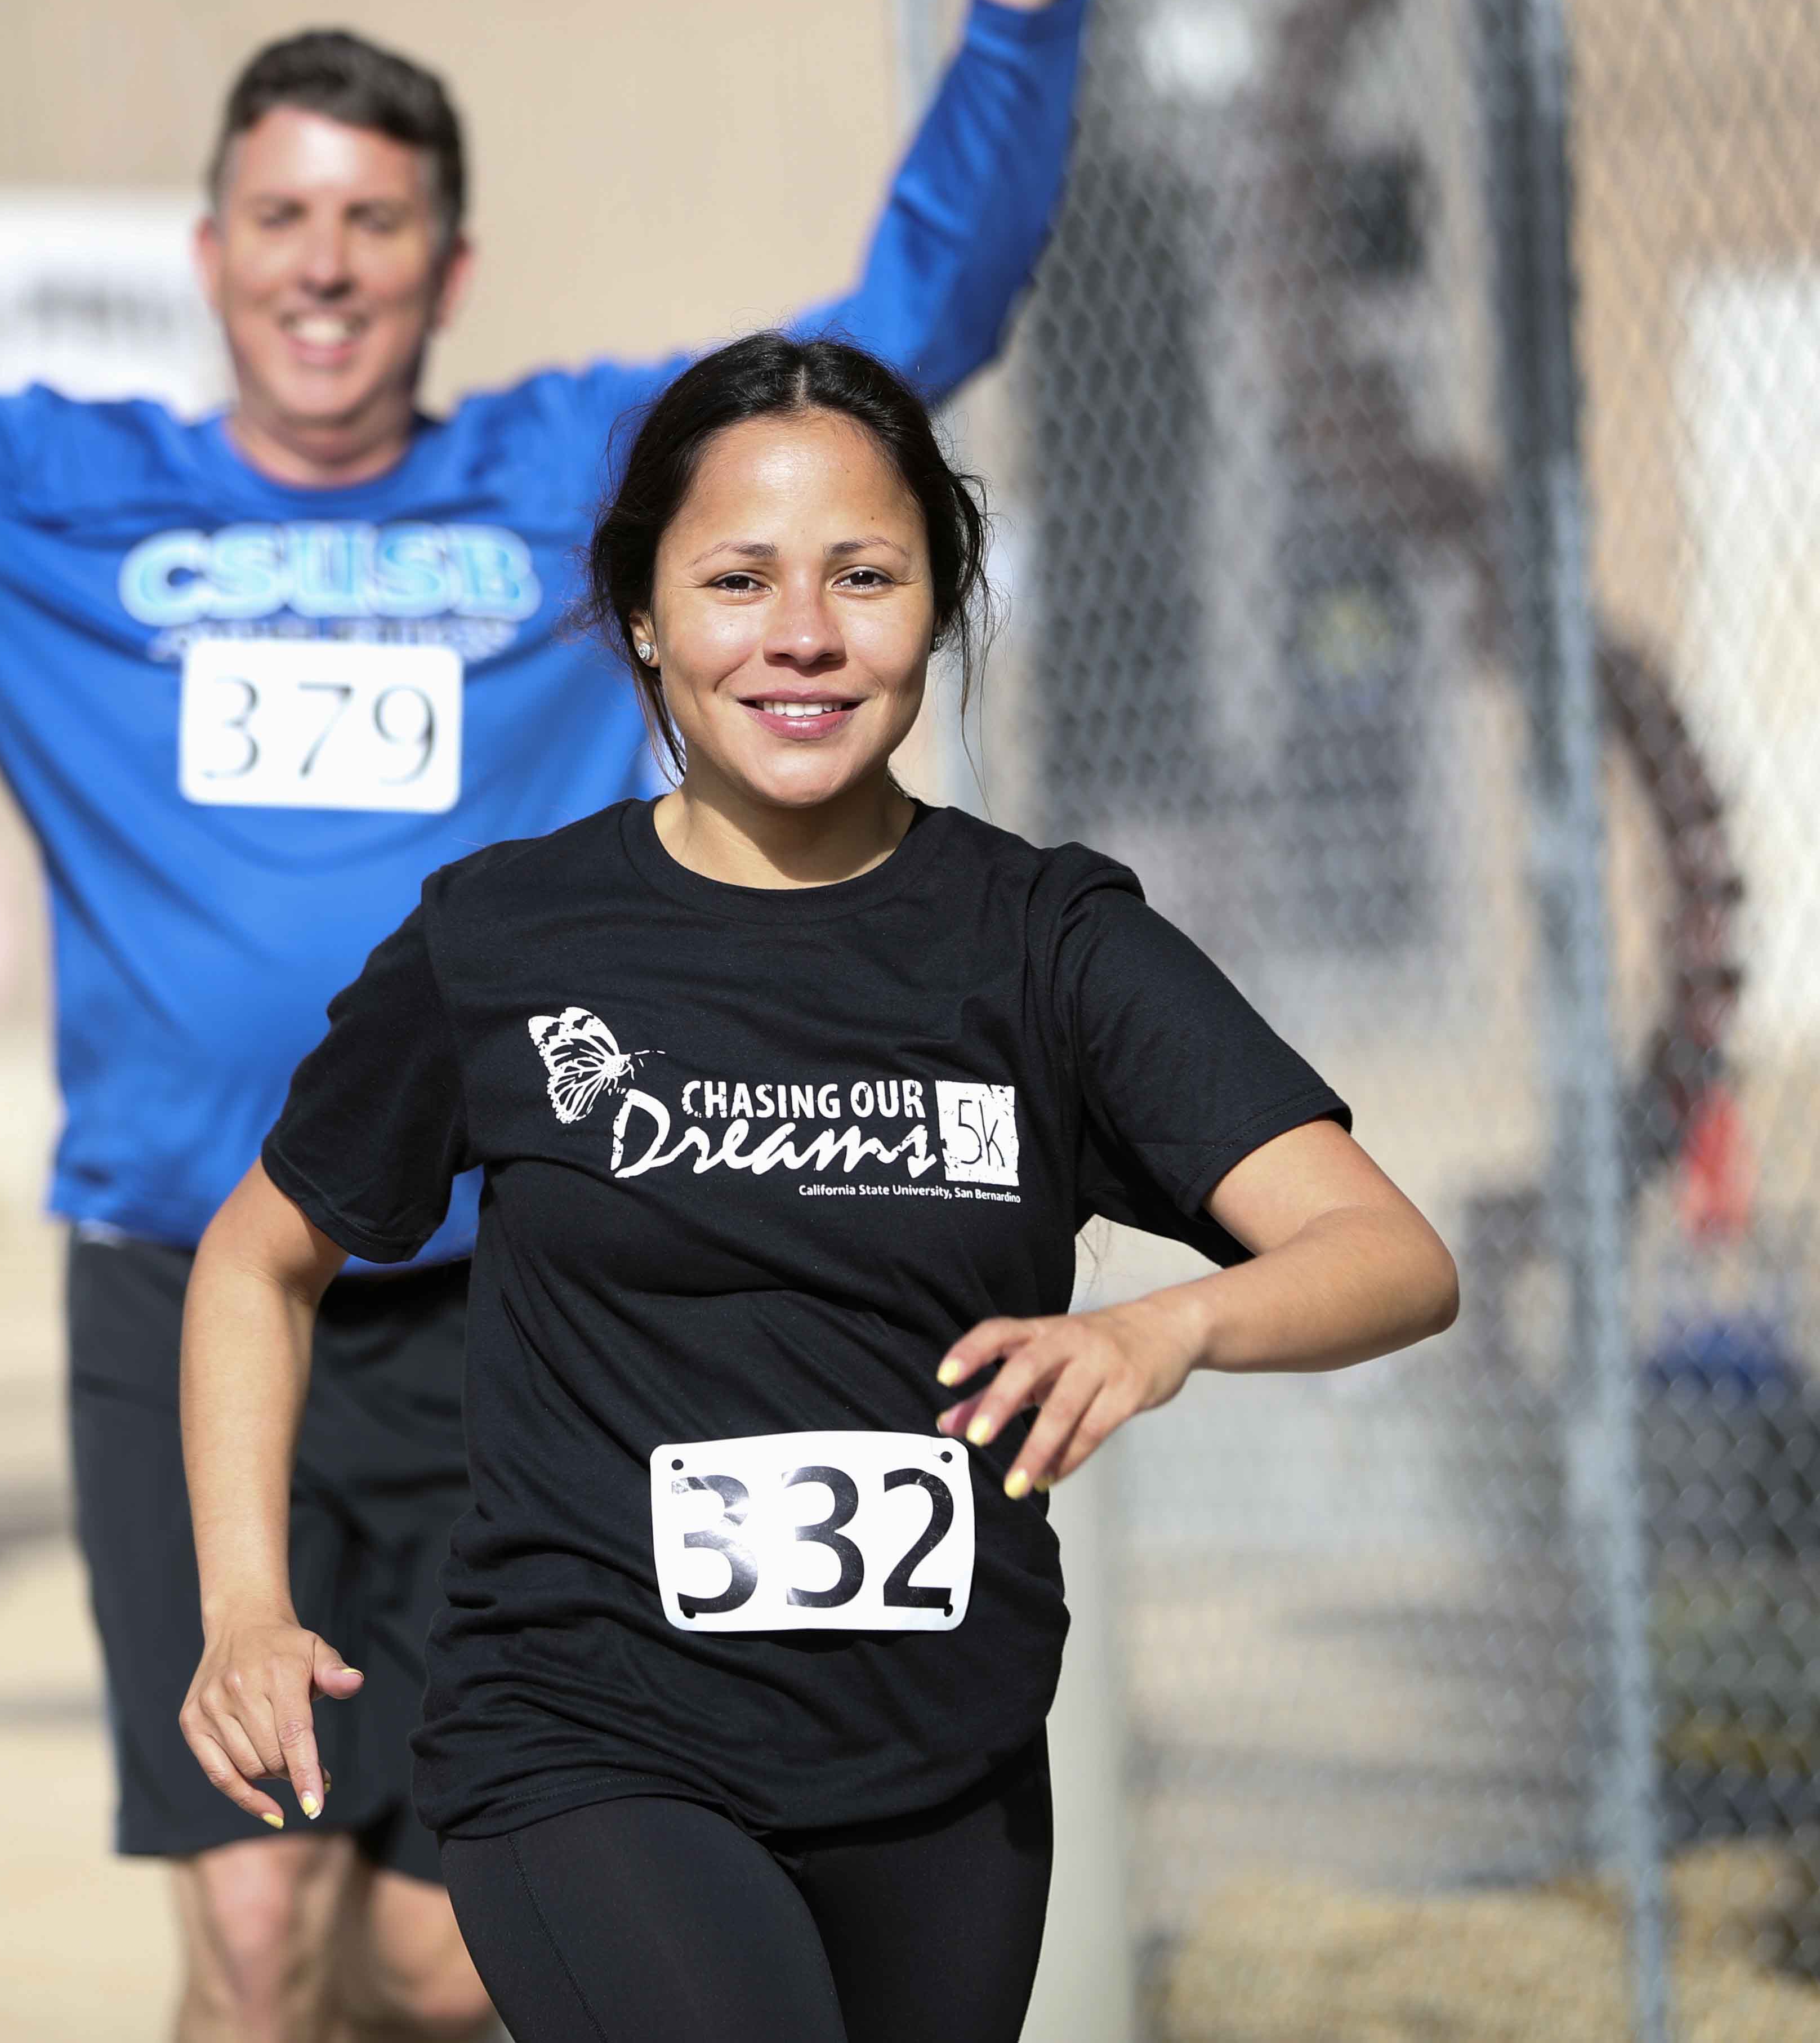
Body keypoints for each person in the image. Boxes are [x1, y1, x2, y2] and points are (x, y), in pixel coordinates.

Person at [0, 0, 1089, 2037]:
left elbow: (916, 309)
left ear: (452, 266)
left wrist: (1027, 26)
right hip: (192, 1297)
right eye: (282, 214)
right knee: (254, 1936)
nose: (325, 260)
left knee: (443, 1960)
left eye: (376, 218)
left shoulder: (580, 480)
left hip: (523, 1318)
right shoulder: (31, 497)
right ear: (211, 253)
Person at [177, 333, 1462, 2043]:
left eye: (866, 576)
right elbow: (258, 1267)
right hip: (591, 1736)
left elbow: (1388, 1254)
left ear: (935, 607)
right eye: (737, 579)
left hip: (945, 1760)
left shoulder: (1048, 944)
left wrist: (1171, 1329)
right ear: (642, 610)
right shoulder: (506, 940)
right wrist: (247, 1610)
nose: (803, 635)